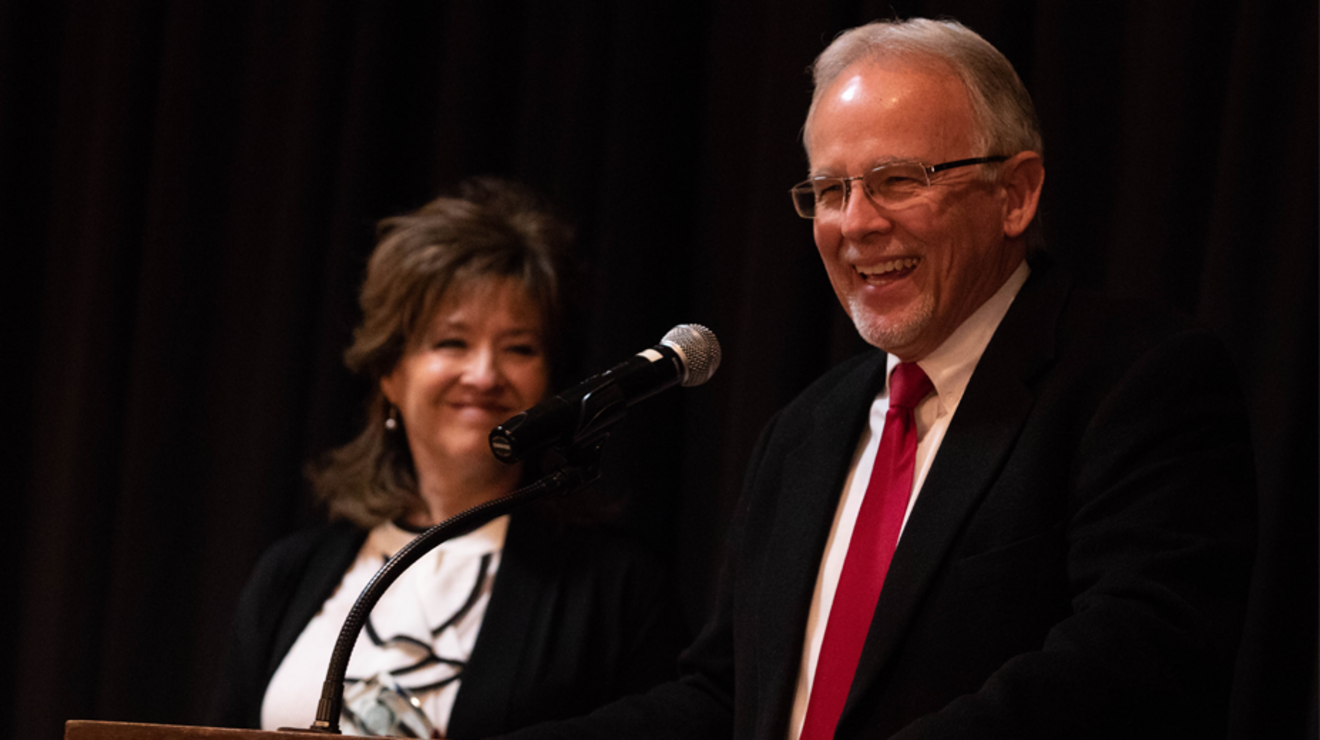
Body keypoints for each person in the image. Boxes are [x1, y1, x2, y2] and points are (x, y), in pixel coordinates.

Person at [492, 17, 1256, 740]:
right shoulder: (803, 431)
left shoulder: (1138, 379)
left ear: (1016, 194)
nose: (855, 224)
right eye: (830, 190)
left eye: (897, 180)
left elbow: (1138, 662)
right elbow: (727, 699)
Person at [209, 178, 683, 738]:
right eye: (451, 342)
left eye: (519, 348)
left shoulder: (615, 590)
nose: (484, 375)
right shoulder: (290, 575)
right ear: (390, 372)